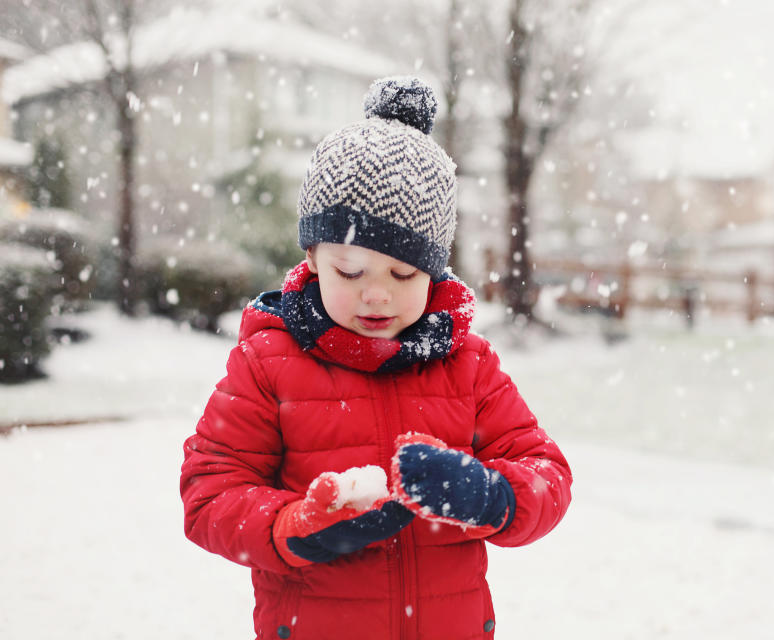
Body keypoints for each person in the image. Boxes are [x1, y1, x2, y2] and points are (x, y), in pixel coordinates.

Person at [180, 76, 573, 640]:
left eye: (403, 273)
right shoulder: (268, 362)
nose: (377, 295)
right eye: (350, 271)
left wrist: (493, 495)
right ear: (313, 257)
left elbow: (547, 473)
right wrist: (296, 527)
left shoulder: (468, 365)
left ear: (435, 270)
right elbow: (209, 493)